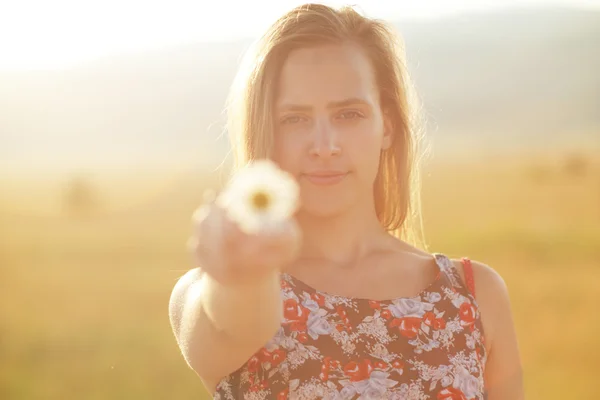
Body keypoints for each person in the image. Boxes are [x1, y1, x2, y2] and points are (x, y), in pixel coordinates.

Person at [169, 3, 524, 399]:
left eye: (349, 114)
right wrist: (242, 274)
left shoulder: (475, 295)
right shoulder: (219, 291)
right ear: (266, 129)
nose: (324, 146)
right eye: (295, 119)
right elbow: (234, 323)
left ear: (386, 125)